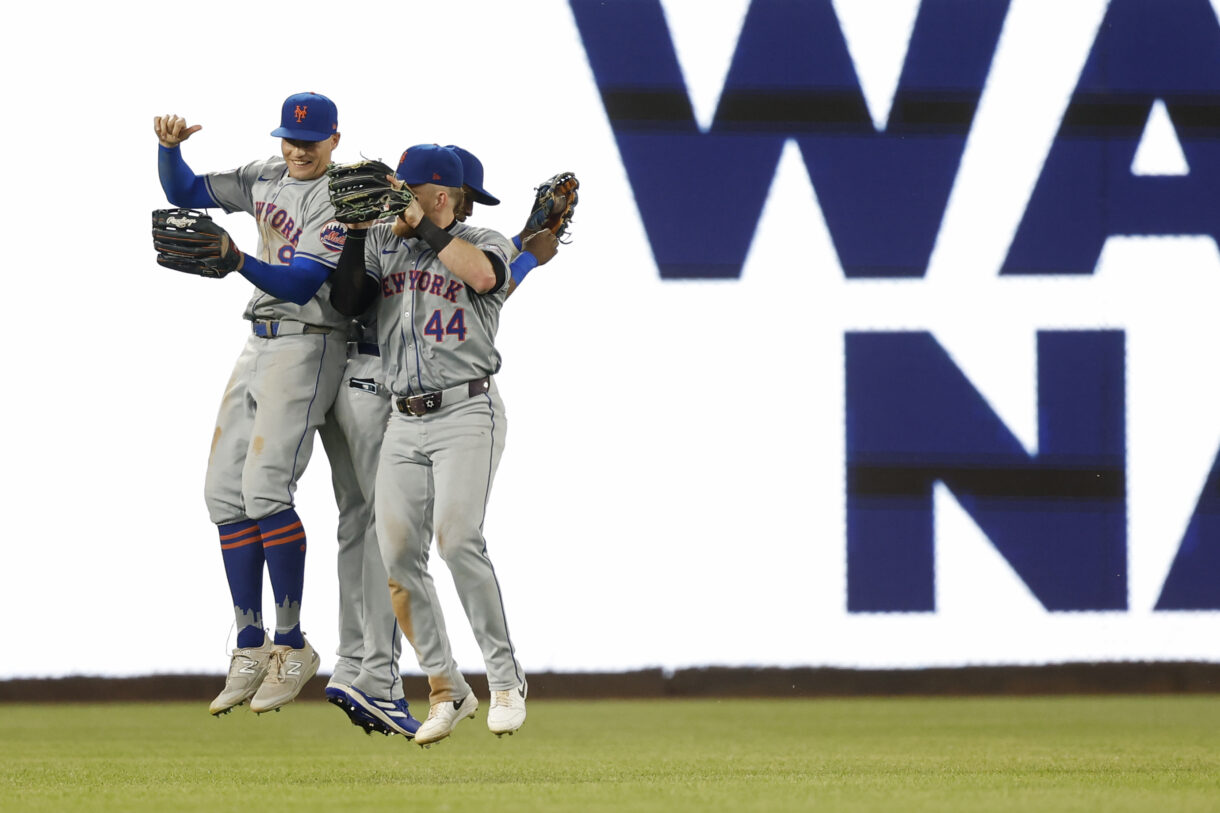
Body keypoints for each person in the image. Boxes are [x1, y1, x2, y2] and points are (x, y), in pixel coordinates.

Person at [153, 92, 363, 716]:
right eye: (290, 138)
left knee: (267, 488)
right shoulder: (264, 175)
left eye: (311, 140)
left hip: (311, 343)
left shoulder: (337, 198)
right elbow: (185, 192)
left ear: (334, 140)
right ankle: (249, 642)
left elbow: (302, 283)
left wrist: (237, 258)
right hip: (259, 340)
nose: (298, 149)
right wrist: (169, 151)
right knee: (223, 492)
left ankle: (292, 645)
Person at [329, 144, 527, 746]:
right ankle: (446, 689)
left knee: (459, 539)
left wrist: (426, 231)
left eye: (404, 190)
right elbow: (348, 301)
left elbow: (486, 276)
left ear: (439, 197)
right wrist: (361, 234)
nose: (393, 199)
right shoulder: (387, 241)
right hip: (402, 419)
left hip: (466, 408)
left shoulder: (485, 238)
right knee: (396, 557)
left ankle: (505, 678)